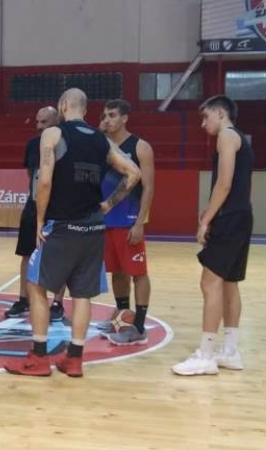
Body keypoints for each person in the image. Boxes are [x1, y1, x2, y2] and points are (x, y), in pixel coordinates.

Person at [4, 88, 140, 378]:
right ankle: (74, 359)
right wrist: (108, 204)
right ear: (86, 110)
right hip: (93, 227)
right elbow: (133, 173)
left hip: (61, 224)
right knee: (82, 294)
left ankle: (39, 357)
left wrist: (40, 220)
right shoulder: (101, 140)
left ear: (63, 106)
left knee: (36, 287)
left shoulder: (52, 135)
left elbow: (44, 182)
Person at [172, 95, 253, 376]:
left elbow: (224, 182)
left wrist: (206, 219)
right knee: (230, 284)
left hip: (229, 219)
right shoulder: (240, 137)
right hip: (242, 216)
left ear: (220, 113)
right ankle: (230, 351)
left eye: (206, 117)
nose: (203, 123)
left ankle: (206, 355)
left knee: (210, 283)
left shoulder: (227, 136)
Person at [98, 99, 155, 346]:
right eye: (104, 115)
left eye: (112, 115)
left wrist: (140, 222)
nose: (107, 119)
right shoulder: (101, 145)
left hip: (129, 220)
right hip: (106, 220)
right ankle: (122, 316)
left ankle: (139, 326)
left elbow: (149, 188)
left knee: (138, 273)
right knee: (118, 272)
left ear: (124, 118)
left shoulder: (141, 147)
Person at [5, 106, 67, 321]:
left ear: (56, 122)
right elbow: (31, 173)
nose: (39, 127)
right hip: (32, 208)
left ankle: (57, 303)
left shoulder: (64, 144)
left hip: (58, 208)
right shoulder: (32, 144)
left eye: (44, 122)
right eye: (38, 122)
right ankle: (24, 299)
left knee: (59, 257)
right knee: (26, 254)